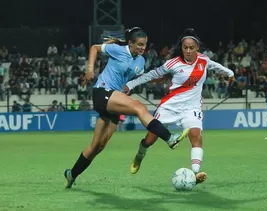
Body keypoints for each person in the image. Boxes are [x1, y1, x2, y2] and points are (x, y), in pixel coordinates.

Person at [64, 27, 190, 188]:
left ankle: (71, 174)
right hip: (102, 91)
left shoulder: (141, 62)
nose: (142, 48)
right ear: (130, 43)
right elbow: (94, 48)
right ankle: (169, 137)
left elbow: (128, 78)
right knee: (139, 107)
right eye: (139, 44)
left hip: (113, 99)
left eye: (144, 44)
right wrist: (90, 70)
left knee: (97, 146)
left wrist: (128, 86)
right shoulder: (118, 50)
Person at [123, 28, 235, 184]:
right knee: (150, 138)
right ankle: (139, 156)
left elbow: (216, 66)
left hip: (192, 107)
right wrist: (131, 84)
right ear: (181, 47)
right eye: (185, 48)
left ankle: (195, 174)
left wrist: (230, 73)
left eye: (191, 48)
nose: (188, 51)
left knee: (196, 136)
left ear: (197, 48)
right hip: (170, 106)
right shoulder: (173, 63)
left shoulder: (204, 60)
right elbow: (152, 74)